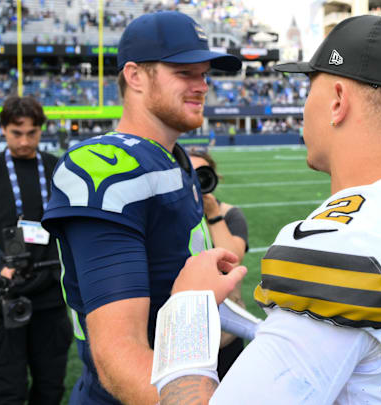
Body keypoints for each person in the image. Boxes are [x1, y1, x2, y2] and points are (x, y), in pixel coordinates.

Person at [154, 15, 381, 405]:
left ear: (337, 101)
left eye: (308, 88)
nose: (303, 107)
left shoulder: (345, 249)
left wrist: (186, 309)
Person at [40, 11, 242, 404]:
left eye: (204, 73)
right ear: (134, 76)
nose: (202, 85)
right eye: (185, 72)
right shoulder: (106, 167)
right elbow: (121, 361)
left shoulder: (176, 158)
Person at [0, 95, 72, 404]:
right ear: (2, 130)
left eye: (32, 133)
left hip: (50, 299)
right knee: (6, 391)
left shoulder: (58, 169)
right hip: (4, 297)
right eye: (17, 133)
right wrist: (1, 265)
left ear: (42, 131)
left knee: (50, 387)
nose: (25, 141)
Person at [187, 148, 249, 380]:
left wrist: (212, 213)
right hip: (187, 333)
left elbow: (234, 259)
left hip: (225, 333)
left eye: (201, 174)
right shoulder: (167, 215)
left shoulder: (230, 214)